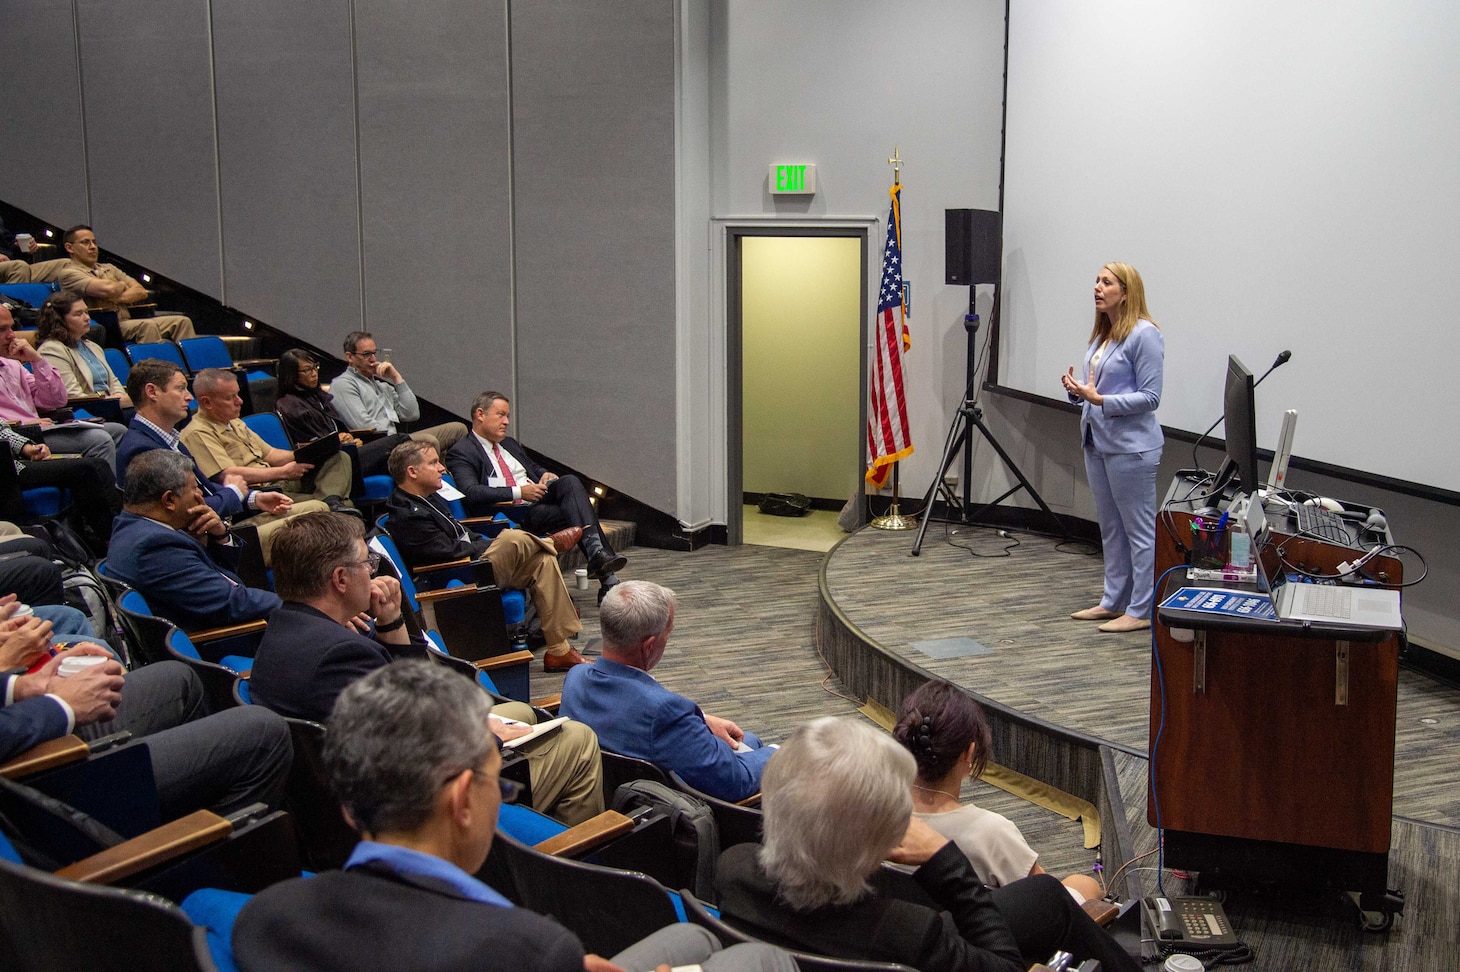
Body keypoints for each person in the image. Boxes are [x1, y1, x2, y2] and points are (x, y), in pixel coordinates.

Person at [234, 661, 796, 972]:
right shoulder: (526, 949)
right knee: (764, 961)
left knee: (691, 940)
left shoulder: (267, 915)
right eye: (497, 782)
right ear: (462, 801)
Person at [249, 511, 604, 824]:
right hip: (409, 812)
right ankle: (559, 855)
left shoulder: (283, 630)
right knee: (578, 739)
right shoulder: (341, 653)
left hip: (346, 791)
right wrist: (489, 739)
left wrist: (391, 622)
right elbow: (413, 745)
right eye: (366, 563)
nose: (372, 570)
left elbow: (408, 700)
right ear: (340, 579)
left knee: (521, 713)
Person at [714, 717, 1141, 972]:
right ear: (877, 847)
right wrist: (946, 863)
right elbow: (1006, 966)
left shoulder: (732, 867)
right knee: (1050, 895)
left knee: (1044, 897)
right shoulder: (909, 932)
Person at [0, 636, 291, 819]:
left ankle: (188, 804)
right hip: (29, 779)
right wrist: (61, 706)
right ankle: (213, 861)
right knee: (263, 732)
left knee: (178, 678)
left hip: (20, 718)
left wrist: (20, 686)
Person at [382, 439, 588, 671]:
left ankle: (559, 652)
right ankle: (549, 542)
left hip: (474, 564)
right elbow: (448, 553)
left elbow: (463, 534)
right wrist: (493, 545)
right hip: (460, 576)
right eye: (433, 463)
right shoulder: (407, 514)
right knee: (512, 538)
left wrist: (487, 543)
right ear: (412, 472)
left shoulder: (430, 498)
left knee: (542, 559)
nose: (442, 468)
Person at [560, 581, 773, 802]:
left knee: (749, 740)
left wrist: (700, 720)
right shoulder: (663, 712)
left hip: (612, 788)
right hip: (664, 810)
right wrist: (782, 752)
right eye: (667, 633)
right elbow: (735, 782)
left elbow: (627, 712)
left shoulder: (576, 677)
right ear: (648, 646)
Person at [894, 680, 1103, 902]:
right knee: (1085, 884)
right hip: (981, 925)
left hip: (899, 922)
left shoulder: (873, 815)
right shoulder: (991, 833)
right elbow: (1048, 905)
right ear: (969, 753)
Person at [117, 358, 329, 561]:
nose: (189, 397)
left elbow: (207, 489)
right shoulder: (141, 449)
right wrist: (234, 493)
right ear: (152, 392)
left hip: (224, 525)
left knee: (320, 509)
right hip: (209, 544)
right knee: (319, 519)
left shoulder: (169, 440)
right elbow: (186, 512)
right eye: (180, 388)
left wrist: (254, 498)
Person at [1061, 262, 1164, 633]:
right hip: (1097, 441)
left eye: (1106, 282)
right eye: (1097, 281)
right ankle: (1113, 601)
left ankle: (1141, 609)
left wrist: (1101, 400)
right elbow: (1097, 388)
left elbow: (1151, 397)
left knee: (1139, 532)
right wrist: (1078, 394)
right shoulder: (1104, 333)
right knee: (1111, 528)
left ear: (1126, 291)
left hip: (1131, 449)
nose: (1097, 287)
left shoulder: (1145, 334)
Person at [447, 391, 626, 602]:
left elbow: (532, 467)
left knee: (569, 482)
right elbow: (470, 492)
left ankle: (598, 556)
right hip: (510, 514)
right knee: (577, 510)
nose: (506, 422)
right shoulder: (463, 451)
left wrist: (544, 474)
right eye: (501, 415)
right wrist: (519, 492)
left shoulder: (509, 444)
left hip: (538, 500)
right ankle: (606, 574)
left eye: (508, 416)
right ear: (480, 414)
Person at [106, 450, 282, 632]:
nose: (201, 495)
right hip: (226, 637)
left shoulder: (133, 525)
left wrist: (219, 535)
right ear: (169, 500)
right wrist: (295, 606)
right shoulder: (155, 547)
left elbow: (222, 576)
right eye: (195, 488)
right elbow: (232, 603)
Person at [180, 368, 354, 505]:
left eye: (238, 394)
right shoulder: (198, 433)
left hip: (278, 479)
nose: (239, 401)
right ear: (207, 402)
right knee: (344, 503)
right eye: (230, 398)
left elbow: (271, 454)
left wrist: (311, 452)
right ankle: (330, 504)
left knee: (339, 457)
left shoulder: (234, 422)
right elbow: (228, 474)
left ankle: (331, 502)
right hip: (259, 491)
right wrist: (282, 472)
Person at [0, 303, 126, 470]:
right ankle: (104, 487)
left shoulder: (13, 366)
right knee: (99, 440)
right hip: (18, 435)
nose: (11, 335)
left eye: (12, 327)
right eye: (2, 329)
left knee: (118, 430)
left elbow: (55, 401)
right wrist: (26, 424)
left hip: (42, 428)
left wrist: (37, 360)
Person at [274, 348, 409, 479]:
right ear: (291, 374)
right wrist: (344, 444)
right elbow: (313, 445)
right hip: (328, 465)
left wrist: (349, 438)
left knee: (397, 462)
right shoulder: (290, 405)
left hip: (342, 454)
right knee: (400, 441)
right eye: (307, 370)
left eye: (315, 367)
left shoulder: (317, 397)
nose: (314, 373)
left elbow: (337, 432)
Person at [55, 224, 196, 344]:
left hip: (126, 321)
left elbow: (141, 291)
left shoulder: (109, 267)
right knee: (147, 325)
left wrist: (117, 297)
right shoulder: (69, 273)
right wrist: (121, 285)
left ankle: (194, 364)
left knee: (182, 322)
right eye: (85, 242)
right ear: (69, 247)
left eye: (94, 242)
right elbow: (108, 289)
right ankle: (154, 368)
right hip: (103, 325)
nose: (93, 247)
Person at [329, 331, 466, 453]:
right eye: (366, 354)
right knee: (428, 441)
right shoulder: (343, 384)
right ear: (350, 357)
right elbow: (364, 426)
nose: (373, 359)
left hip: (396, 440)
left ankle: (449, 472)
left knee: (458, 429)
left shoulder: (382, 386)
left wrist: (396, 377)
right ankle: (437, 471)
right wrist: (396, 439)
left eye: (374, 353)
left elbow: (411, 414)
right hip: (376, 447)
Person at [0, 419, 122, 552]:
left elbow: (2, 430)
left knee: (99, 464)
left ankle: (122, 528)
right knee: (85, 469)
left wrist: (27, 447)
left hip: (16, 463)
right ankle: (112, 540)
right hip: (7, 472)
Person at [35, 289, 131, 406]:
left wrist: (120, 397)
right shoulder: (52, 350)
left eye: (86, 312)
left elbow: (114, 382)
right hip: (88, 409)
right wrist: (115, 402)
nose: (87, 318)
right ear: (60, 320)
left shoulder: (92, 346)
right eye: (79, 314)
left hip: (112, 403)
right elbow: (73, 396)